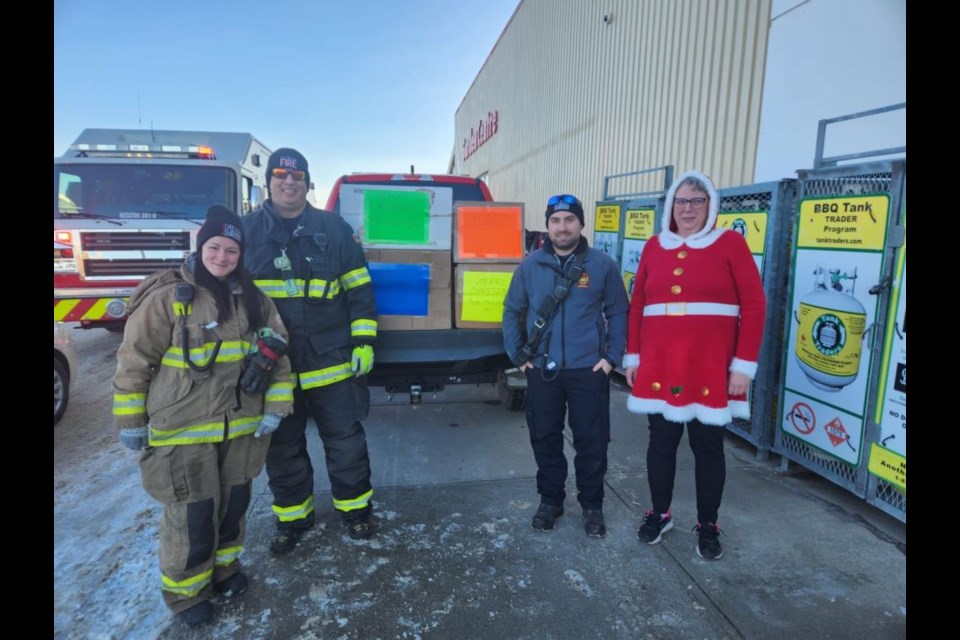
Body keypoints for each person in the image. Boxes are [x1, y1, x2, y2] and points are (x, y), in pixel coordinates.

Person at [113, 205, 294, 627]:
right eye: (215, 247)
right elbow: (134, 361)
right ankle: (187, 592)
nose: (223, 257)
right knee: (193, 513)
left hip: (241, 424)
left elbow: (279, 354)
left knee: (233, 506)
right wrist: (131, 422)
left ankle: (224, 570)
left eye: (232, 250)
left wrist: (275, 408)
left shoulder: (254, 299)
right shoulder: (170, 297)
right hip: (183, 427)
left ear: (241, 254)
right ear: (201, 247)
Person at [623, 170, 766, 560]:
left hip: (710, 367)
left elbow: (754, 306)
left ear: (710, 206)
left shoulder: (731, 244)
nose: (688, 209)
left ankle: (707, 523)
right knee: (661, 445)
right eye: (681, 201)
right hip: (660, 365)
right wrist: (633, 356)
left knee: (708, 448)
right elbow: (637, 307)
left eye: (696, 201)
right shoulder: (654, 246)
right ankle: (660, 513)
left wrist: (743, 367)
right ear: (671, 206)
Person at [243, 148, 379, 554]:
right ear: (268, 182)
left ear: (307, 183)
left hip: (331, 359)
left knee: (345, 440)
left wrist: (365, 341)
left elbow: (359, 290)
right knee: (283, 446)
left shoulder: (333, 229)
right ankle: (293, 519)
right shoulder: (246, 232)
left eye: (297, 176)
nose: (289, 182)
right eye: (281, 176)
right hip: (273, 366)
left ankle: (356, 513)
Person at [503, 194, 628, 537]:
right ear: (547, 226)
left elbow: (618, 311)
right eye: (556, 220)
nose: (562, 227)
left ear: (580, 224)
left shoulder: (601, 265)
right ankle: (550, 499)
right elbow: (512, 310)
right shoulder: (530, 265)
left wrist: (610, 359)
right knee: (544, 437)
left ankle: (592, 505)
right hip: (543, 370)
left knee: (592, 440)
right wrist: (520, 357)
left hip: (588, 370)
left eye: (569, 220)